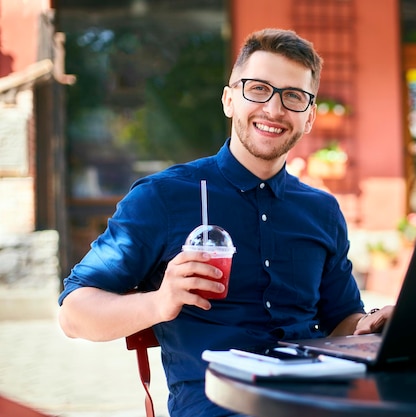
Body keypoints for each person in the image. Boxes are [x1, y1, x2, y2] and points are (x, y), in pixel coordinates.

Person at [58, 28, 393, 417]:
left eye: (293, 96)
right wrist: (159, 302)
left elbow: (341, 322)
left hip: (313, 402)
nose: (273, 108)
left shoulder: (321, 210)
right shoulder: (163, 197)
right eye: (258, 89)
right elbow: (73, 315)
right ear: (229, 100)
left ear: (310, 117)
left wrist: (373, 323)